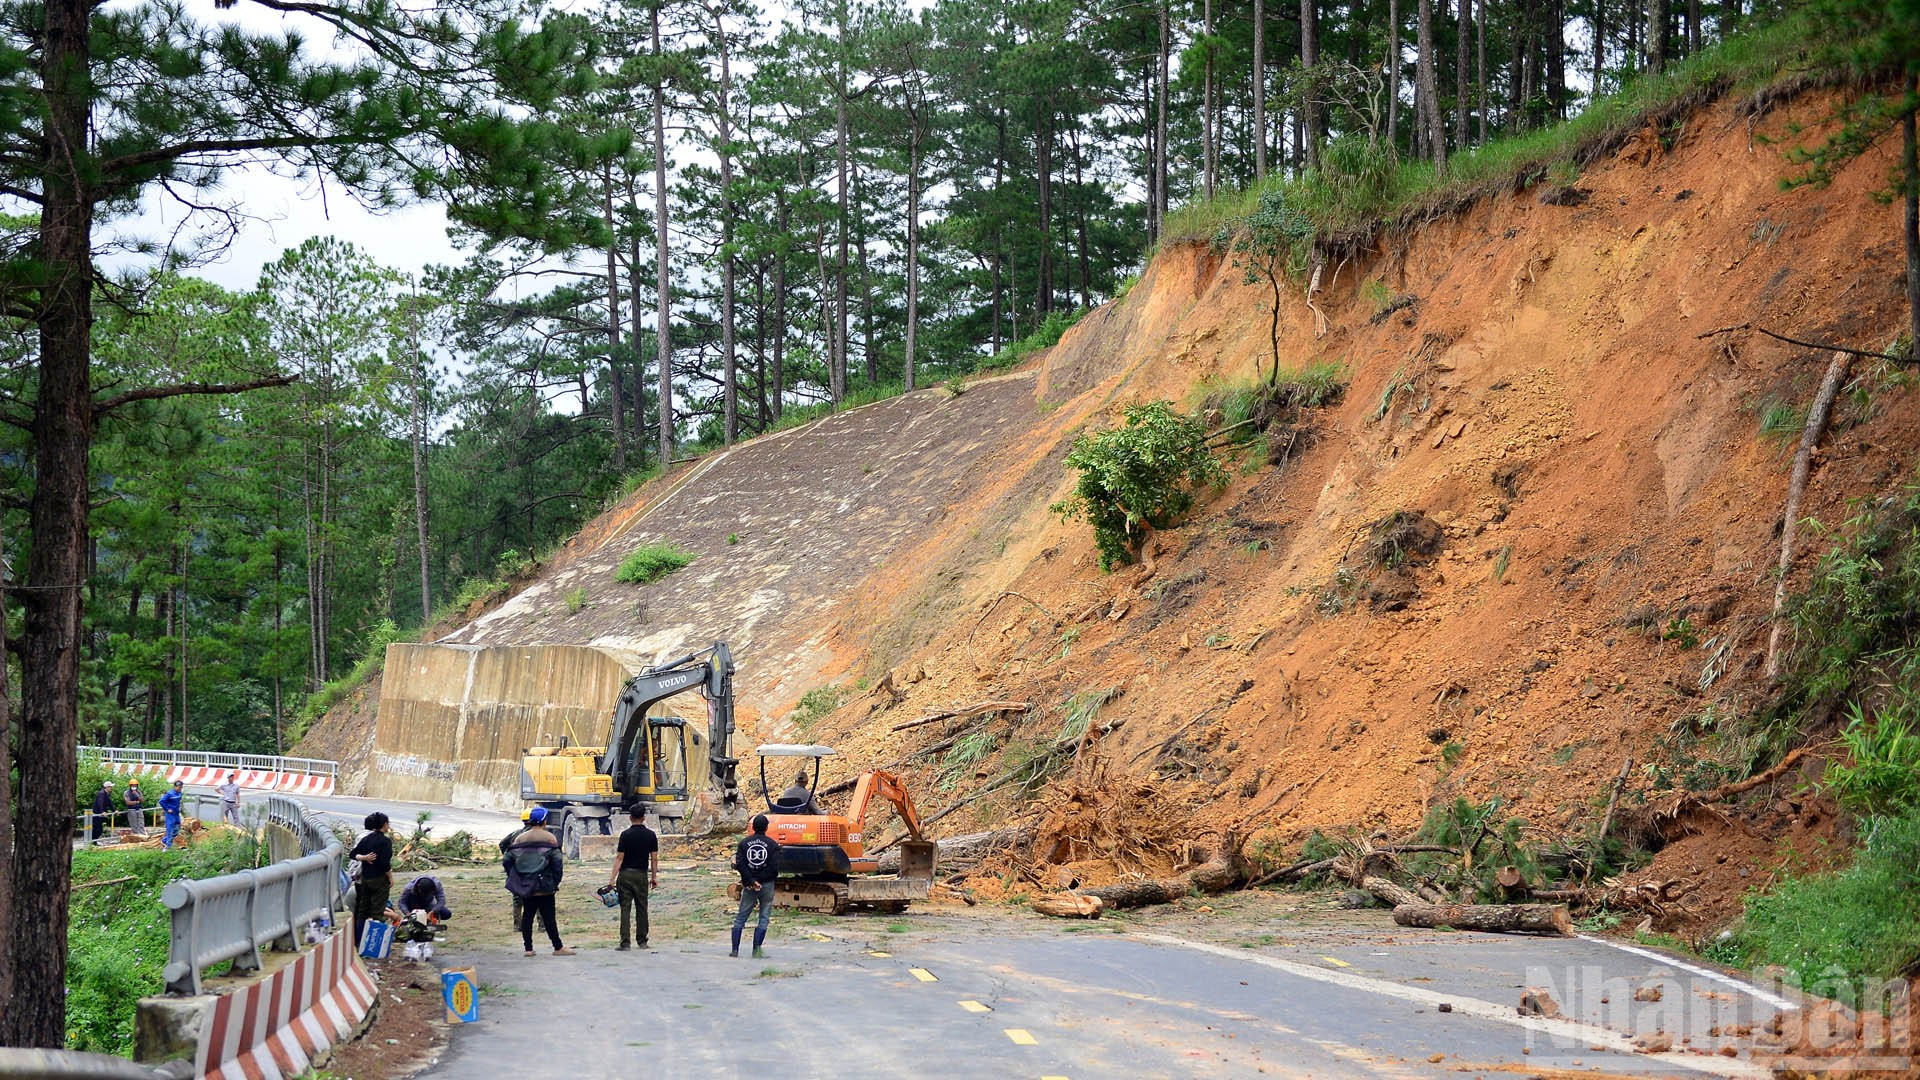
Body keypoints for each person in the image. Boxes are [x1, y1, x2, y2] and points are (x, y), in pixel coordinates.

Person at [504, 807, 573, 957]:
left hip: (526, 885)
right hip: (545, 884)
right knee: (549, 918)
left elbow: (507, 859)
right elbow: (557, 863)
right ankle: (557, 947)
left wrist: (515, 877)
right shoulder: (550, 838)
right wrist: (555, 882)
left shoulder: (520, 838)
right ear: (544, 821)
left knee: (528, 915)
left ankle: (528, 949)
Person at [608, 805, 659, 951]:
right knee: (642, 908)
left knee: (625, 908)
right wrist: (654, 877)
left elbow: (619, 858)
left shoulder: (625, 835)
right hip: (641, 875)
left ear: (630, 817)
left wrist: (612, 879)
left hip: (625, 874)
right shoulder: (651, 835)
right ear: (644, 818)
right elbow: (654, 858)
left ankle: (625, 943)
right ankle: (642, 941)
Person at [730, 814, 780, 959]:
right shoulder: (772, 845)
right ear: (766, 827)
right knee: (764, 918)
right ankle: (756, 951)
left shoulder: (744, 844)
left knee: (740, 918)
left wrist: (751, 881)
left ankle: (735, 950)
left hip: (749, 887)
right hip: (767, 886)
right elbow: (774, 869)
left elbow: (740, 865)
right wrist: (760, 881)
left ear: (752, 827)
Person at [350, 812, 395, 947]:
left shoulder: (367, 838)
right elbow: (384, 864)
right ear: (384, 824)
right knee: (377, 912)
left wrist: (364, 858)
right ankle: (375, 945)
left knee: (362, 911)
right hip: (379, 880)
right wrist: (390, 876)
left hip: (365, 879)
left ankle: (359, 942)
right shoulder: (385, 841)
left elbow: (352, 854)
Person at [158, 780, 184, 850]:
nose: (180, 789)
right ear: (175, 786)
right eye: (179, 787)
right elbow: (161, 801)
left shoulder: (180, 793)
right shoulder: (169, 794)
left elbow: (179, 801)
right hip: (170, 815)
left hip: (176, 814)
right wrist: (167, 809)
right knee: (170, 830)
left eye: (181, 787)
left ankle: (164, 840)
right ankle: (168, 847)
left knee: (177, 829)